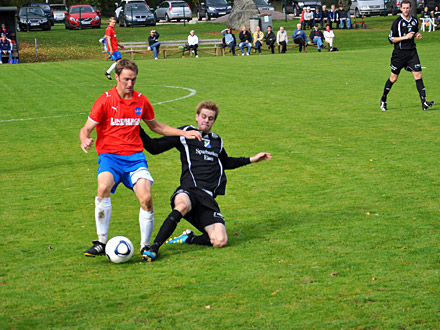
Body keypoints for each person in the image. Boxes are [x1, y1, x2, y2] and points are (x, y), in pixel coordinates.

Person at [79, 59, 201, 257]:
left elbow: (156, 127)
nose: (130, 84)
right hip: (110, 157)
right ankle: (101, 242)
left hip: (135, 158)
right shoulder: (105, 100)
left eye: (133, 80)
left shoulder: (141, 101)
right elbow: (86, 127)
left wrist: (183, 133)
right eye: (126, 79)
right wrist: (85, 139)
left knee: (146, 198)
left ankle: (145, 247)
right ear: (116, 77)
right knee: (103, 187)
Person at [140, 100, 272, 262]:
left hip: (207, 197)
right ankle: (154, 248)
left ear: (214, 121)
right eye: (203, 117)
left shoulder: (217, 141)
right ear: (197, 117)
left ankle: (188, 238)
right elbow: (154, 147)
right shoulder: (185, 134)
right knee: (181, 205)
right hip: (188, 190)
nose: (206, 121)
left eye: (210, 118)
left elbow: (226, 162)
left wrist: (252, 159)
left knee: (220, 241)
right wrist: (135, 127)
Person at [380, 0, 434, 111]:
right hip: (399, 54)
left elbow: (415, 32)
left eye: (407, 8)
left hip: (412, 52)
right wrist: (405, 37)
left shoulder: (414, 20)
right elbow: (391, 39)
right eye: (403, 8)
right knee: (393, 78)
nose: (405, 10)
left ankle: (424, 102)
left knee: (418, 75)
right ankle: (383, 99)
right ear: (401, 9)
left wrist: (417, 35)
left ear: (410, 8)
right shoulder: (397, 22)